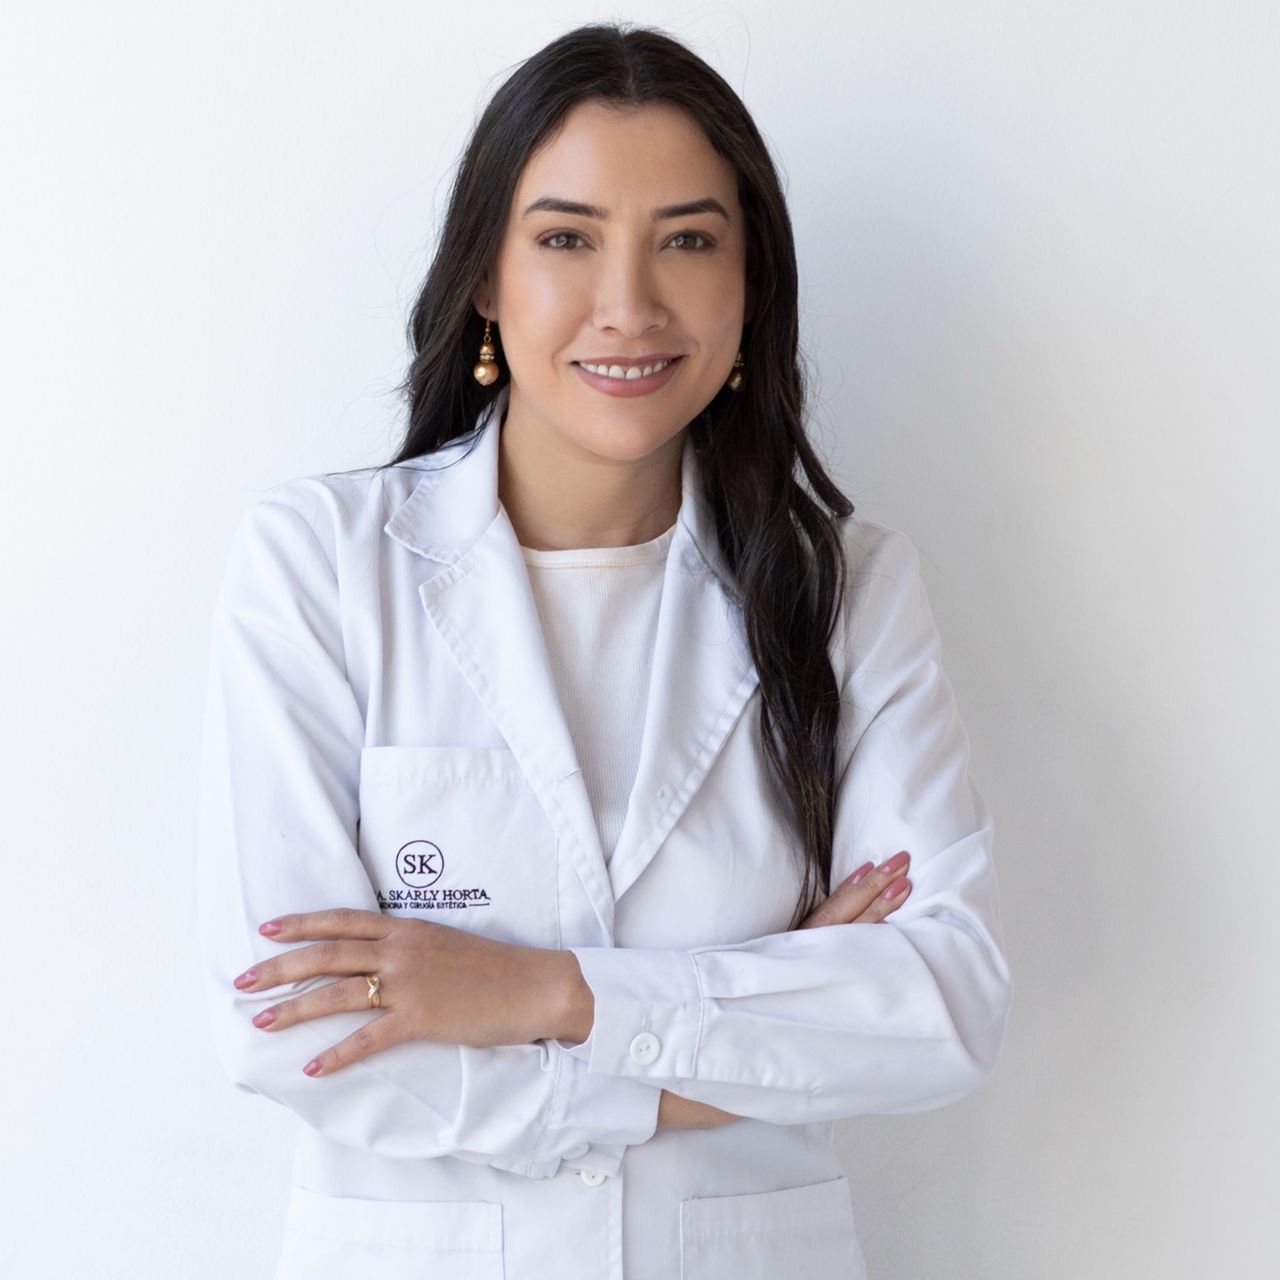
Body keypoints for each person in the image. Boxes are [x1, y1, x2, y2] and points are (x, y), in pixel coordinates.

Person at [196, 21, 1013, 1280]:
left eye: (686, 240)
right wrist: (765, 1009)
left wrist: (544, 992)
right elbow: (293, 1030)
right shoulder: (321, 566)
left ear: (750, 283)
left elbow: (939, 1003)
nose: (627, 305)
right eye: (566, 238)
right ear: (484, 276)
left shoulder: (844, 588)